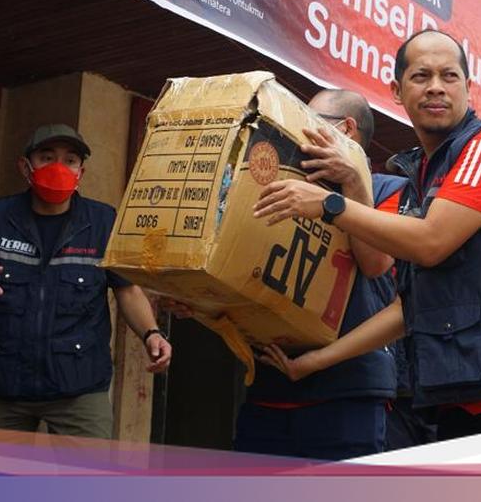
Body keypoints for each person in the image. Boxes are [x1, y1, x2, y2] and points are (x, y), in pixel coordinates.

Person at [255, 30, 481, 440]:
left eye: (449, 76)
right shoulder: (419, 178)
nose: (436, 87)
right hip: (462, 401)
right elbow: (410, 306)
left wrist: (330, 205)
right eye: (421, 76)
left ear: (468, 88)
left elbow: (431, 243)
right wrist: (314, 362)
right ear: (397, 91)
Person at [164, 90, 404, 460]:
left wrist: (354, 183)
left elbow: (376, 265)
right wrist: (199, 301)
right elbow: (246, 269)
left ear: (348, 131)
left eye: (312, 121)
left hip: (347, 390)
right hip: (269, 382)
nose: (301, 130)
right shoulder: (279, 182)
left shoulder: (388, 190)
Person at [0, 124, 172, 438]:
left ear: (82, 171)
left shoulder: (104, 222)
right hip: (3, 388)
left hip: (79, 388)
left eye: (70, 160)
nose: (59, 167)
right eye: (47, 157)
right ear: (26, 166)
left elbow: (127, 289)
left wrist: (152, 334)